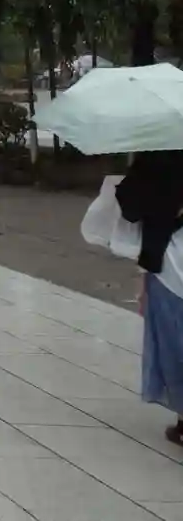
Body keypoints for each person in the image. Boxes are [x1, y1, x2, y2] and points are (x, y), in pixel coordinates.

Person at [115, 150, 183, 446]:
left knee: (174, 342)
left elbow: (131, 206)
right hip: (169, 261)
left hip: (171, 264)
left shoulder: (160, 153)